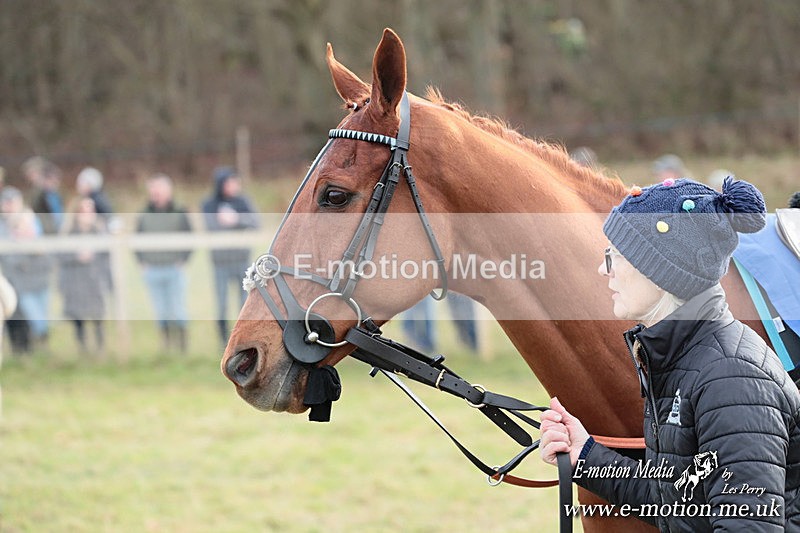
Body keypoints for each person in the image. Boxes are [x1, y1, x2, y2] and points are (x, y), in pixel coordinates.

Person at [540, 177, 800, 530]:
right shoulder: (682, 359)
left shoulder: (731, 379)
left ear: (660, 271)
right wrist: (584, 456)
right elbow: (678, 499)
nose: (604, 269)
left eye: (615, 255)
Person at [201, 166, 259, 346]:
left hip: (242, 261)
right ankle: (223, 342)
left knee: (244, 303)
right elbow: (211, 227)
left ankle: (244, 340)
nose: (235, 185)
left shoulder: (243, 202)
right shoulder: (209, 204)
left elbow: (255, 222)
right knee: (221, 304)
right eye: (230, 182)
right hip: (220, 263)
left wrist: (236, 220)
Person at [135, 174, 193, 353]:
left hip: (173, 269)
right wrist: (142, 262)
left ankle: (182, 346)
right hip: (153, 270)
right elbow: (137, 240)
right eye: (153, 190)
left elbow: (190, 238)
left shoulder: (180, 211)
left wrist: (183, 259)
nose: (156, 193)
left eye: (159, 189)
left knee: (178, 308)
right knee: (160, 310)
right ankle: (166, 345)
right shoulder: (144, 214)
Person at [0, 187, 51, 351]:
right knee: (14, 315)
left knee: (35, 317)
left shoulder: (30, 219)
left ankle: (34, 347)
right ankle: (19, 350)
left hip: (33, 277)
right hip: (10, 277)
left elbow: (39, 245)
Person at [59, 198, 107, 354]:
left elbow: (107, 257)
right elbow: (60, 256)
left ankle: (101, 350)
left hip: (94, 282)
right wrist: (77, 257)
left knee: (97, 316)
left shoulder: (100, 232)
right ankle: (83, 350)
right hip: (75, 282)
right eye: (84, 211)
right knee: (78, 318)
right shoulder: (68, 233)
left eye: (90, 211)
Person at [21, 156, 64, 234]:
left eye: (31, 174)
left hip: (49, 228)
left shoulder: (47, 192)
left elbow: (56, 214)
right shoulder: (36, 191)